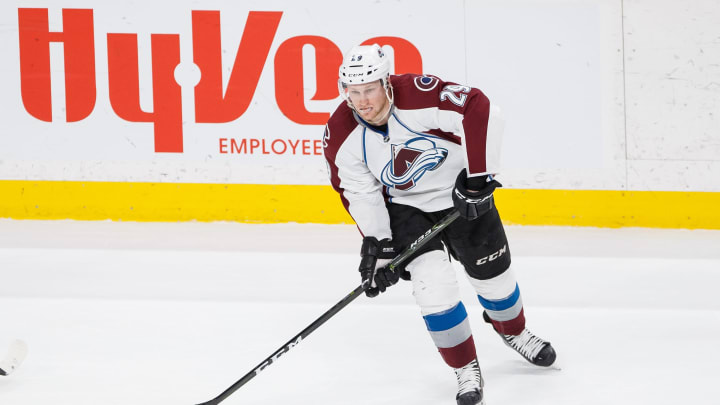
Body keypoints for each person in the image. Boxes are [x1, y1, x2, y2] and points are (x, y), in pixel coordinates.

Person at [322, 43, 556, 405]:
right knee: (434, 288)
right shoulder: (340, 133)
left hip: (461, 196)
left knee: (495, 281)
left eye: (369, 89)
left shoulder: (417, 93)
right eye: (354, 92)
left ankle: (514, 332)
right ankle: (465, 368)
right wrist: (381, 250)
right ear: (344, 91)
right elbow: (360, 192)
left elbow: (479, 108)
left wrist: (477, 180)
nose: (363, 100)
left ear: (386, 83)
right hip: (404, 211)